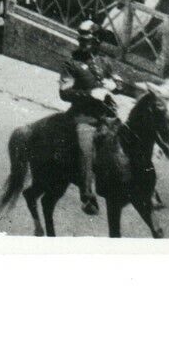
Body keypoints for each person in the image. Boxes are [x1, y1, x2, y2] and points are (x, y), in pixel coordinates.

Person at [59, 20, 119, 215]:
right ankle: (87, 197)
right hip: (83, 116)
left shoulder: (104, 61)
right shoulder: (71, 63)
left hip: (106, 114)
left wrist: (115, 85)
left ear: (97, 41)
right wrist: (89, 94)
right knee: (85, 149)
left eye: (89, 41)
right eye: (81, 40)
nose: (84, 44)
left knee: (133, 139)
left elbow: (119, 83)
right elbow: (64, 92)